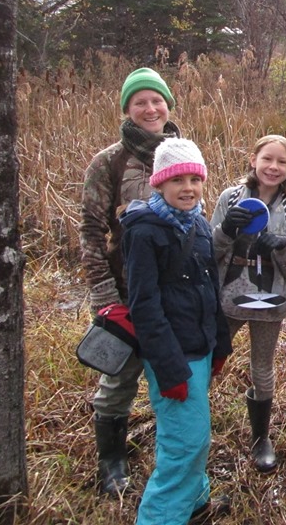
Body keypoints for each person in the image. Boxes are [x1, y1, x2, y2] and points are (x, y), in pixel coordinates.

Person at [79, 67, 180, 496]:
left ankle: (172, 457)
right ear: (127, 109)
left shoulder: (181, 153)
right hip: (124, 291)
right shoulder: (108, 162)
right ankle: (111, 463)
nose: (150, 109)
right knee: (118, 379)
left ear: (168, 105)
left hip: (172, 291)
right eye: (140, 102)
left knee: (171, 375)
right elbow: (90, 231)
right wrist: (105, 296)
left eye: (157, 100)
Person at [121, 138, 232, 525]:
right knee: (185, 442)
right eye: (177, 180)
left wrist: (220, 344)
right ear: (159, 184)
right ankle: (160, 517)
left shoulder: (198, 223)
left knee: (195, 432)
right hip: (173, 356)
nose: (188, 188)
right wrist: (169, 370)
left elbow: (210, 288)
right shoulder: (144, 232)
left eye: (195, 180)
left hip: (200, 347)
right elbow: (144, 307)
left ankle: (196, 503)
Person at [209, 135, 286, 473]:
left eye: (282, 162)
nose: (273, 167)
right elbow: (209, 253)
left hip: (271, 301)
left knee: (262, 367)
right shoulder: (230, 198)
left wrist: (284, 245)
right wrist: (226, 230)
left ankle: (261, 438)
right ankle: (194, 425)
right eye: (267, 159)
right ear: (253, 160)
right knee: (209, 359)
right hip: (229, 298)